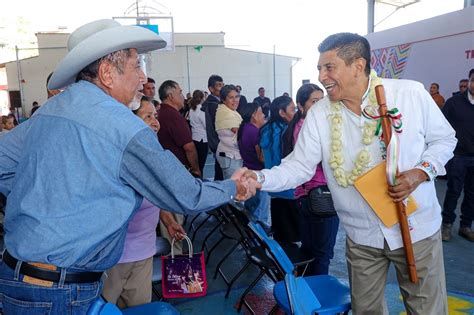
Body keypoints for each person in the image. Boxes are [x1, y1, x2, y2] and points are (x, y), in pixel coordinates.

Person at [0, 19, 256, 314]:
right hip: (61, 291)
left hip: (15, 276)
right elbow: (185, 194)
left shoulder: (50, 111)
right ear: (108, 72)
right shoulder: (122, 125)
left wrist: (47, 204)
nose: (144, 77)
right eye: (136, 65)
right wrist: (233, 187)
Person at [246, 32, 456, 314]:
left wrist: (421, 172)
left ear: (358, 65)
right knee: (365, 310)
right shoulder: (320, 114)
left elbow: (445, 139)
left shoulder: (409, 94)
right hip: (362, 237)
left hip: (416, 229)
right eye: (320, 67)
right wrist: (259, 178)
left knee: (427, 309)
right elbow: (298, 166)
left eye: (329, 67)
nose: (321, 75)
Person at [102, 97, 186, 308]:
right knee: (106, 308)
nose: (155, 121)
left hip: (144, 251)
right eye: (147, 116)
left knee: (140, 308)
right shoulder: (119, 157)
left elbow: (151, 198)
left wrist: (168, 221)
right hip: (114, 256)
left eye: (155, 116)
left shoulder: (154, 153)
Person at [284, 83, 339, 276]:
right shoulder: (308, 129)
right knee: (323, 254)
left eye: (322, 100)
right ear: (301, 106)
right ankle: (319, 298)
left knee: (309, 250)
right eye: (314, 101)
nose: (320, 105)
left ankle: (305, 296)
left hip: (304, 195)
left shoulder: (298, 126)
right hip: (319, 196)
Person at [157, 80, 201, 254]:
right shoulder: (173, 116)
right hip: (175, 173)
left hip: (167, 172)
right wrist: (196, 169)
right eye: (180, 92)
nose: (183, 96)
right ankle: (174, 261)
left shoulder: (163, 114)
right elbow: (189, 147)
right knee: (175, 220)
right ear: (170, 96)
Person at [259, 95, 299, 242]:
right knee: (295, 233)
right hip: (289, 187)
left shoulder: (265, 129)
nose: (295, 112)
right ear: (282, 113)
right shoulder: (287, 131)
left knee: (281, 232)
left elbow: (262, 157)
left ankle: (282, 260)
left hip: (273, 187)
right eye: (292, 109)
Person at [441, 68, 474, 242]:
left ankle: (465, 226)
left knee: (472, 194)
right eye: (473, 80)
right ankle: (446, 224)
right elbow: (440, 127)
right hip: (458, 156)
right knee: (453, 191)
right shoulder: (454, 103)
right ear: (469, 81)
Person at [237, 102, 269, 225]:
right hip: (258, 174)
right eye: (261, 112)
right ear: (253, 115)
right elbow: (261, 158)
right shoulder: (254, 132)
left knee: (251, 207)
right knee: (260, 212)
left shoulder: (244, 128)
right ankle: (261, 238)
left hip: (248, 170)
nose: (264, 115)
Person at [215, 84, 243, 179]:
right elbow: (241, 133)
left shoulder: (230, 111)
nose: (235, 100)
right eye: (231, 97)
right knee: (235, 188)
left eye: (237, 96)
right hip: (231, 157)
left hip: (230, 154)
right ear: (223, 100)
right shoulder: (226, 114)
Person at [202, 74, 225, 180]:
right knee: (222, 171)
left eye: (223, 85)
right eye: (219, 85)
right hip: (218, 142)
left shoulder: (215, 102)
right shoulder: (214, 104)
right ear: (211, 89)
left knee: (219, 169)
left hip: (215, 142)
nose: (222, 88)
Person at [188, 89, 208, 176]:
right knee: (201, 164)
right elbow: (206, 125)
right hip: (202, 139)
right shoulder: (201, 110)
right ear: (202, 98)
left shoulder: (192, 109)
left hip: (194, 137)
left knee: (196, 163)